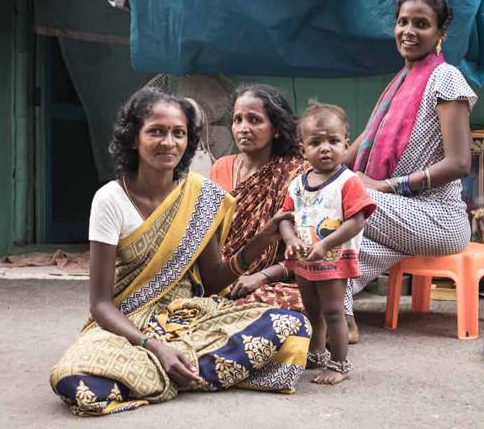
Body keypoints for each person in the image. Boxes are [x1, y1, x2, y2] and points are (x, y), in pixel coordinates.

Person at [49, 88, 311, 416]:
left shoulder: (200, 196)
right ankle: (184, 369)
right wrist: (154, 346)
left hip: (188, 315)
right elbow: (101, 305)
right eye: (156, 131)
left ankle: (162, 373)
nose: (169, 142)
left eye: (179, 133)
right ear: (133, 138)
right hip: (128, 322)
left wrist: (261, 240)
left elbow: (215, 281)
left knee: (293, 327)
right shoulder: (110, 199)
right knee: (77, 383)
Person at [343, 0, 477, 331]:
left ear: (440, 34)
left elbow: (460, 163)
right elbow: (365, 139)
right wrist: (319, 167)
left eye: (422, 24)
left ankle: (332, 311)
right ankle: (335, 308)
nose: (409, 31)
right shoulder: (402, 81)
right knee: (349, 240)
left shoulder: (445, 77)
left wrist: (382, 187)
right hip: (398, 215)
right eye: (403, 22)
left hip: (438, 217)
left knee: (338, 200)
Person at [280, 101, 376, 384]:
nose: (325, 148)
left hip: (333, 258)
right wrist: (290, 239)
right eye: (316, 142)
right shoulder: (297, 184)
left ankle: (339, 364)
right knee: (311, 309)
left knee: (333, 311)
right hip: (304, 259)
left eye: (333, 141)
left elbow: (356, 220)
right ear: (303, 149)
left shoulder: (348, 182)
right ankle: (316, 352)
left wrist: (325, 245)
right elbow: (286, 216)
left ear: (346, 146)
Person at [210, 84, 310, 313]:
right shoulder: (221, 167)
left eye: (254, 120)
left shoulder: (297, 174)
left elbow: (308, 250)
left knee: (309, 303)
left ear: (276, 128)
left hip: (274, 280)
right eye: (238, 120)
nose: (243, 128)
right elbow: (211, 238)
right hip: (220, 274)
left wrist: (261, 276)